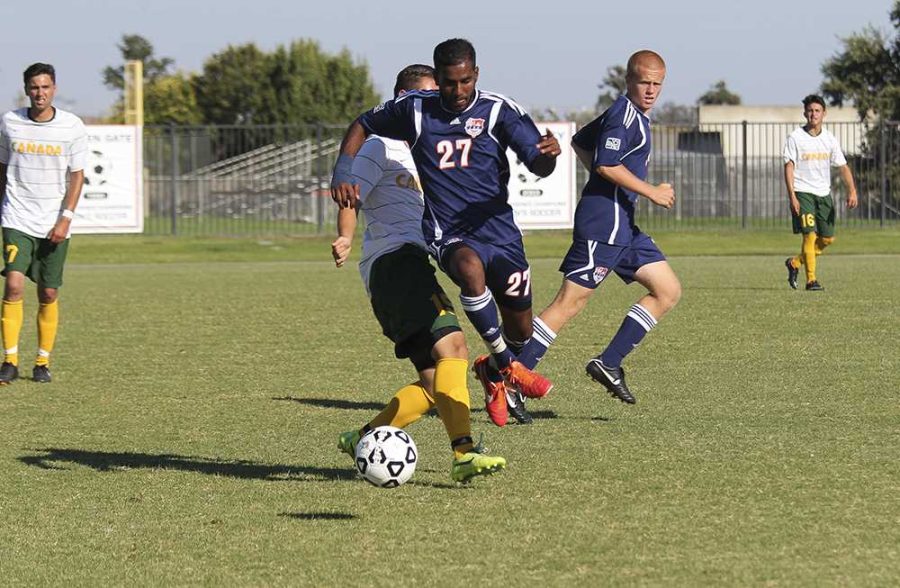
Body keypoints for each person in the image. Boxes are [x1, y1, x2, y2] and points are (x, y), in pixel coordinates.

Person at [332, 38, 561, 428]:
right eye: (450, 83)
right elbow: (363, 123)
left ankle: (492, 370)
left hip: (499, 232)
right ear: (438, 79)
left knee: (521, 327)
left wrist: (547, 157)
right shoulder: (416, 110)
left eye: (465, 82)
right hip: (447, 231)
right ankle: (506, 365)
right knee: (469, 270)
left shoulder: (499, 110)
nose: (458, 92)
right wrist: (342, 169)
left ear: (476, 75)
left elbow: (538, 165)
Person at [331, 64, 506, 483]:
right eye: (423, 98)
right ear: (399, 102)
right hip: (396, 263)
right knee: (456, 350)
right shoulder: (379, 147)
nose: (433, 106)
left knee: (433, 387)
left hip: (405, 266)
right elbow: (349, 193)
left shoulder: (426, 147)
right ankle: (464, 453)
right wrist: (344, 236)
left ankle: (362, 436)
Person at [509, 50, 681, 405]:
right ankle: (512, 381)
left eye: (656, 84)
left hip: (625, 226)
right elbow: (606, 163)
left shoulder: (634, 115)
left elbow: (581, 142)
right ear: (629, 81)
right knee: (569, 303)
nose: (650, 90)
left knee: (667, 290)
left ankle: (609, 362)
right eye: (644, 82)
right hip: (603, 224)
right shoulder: (624, 117)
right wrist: (651, 192)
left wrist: (611, 183)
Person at [0, 63, 86, 385]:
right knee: (14, 284)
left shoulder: (72, 127)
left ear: (55, 89)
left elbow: (77, 177)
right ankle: (9, 359)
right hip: (16, 217)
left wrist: (66, 218)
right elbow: (1, 167)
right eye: (34, 87)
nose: (40, 93)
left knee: (48, 293)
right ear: (26, 89)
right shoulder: (9, 123)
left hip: (53, 222)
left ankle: (42, 362)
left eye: (46, 87)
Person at [783, 94, 858, 291]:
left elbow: (842, 166)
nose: (813, 114)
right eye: (810, 110)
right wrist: (792, 195)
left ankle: (795, 263)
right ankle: (811, 280)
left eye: (817, 110)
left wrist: (852, 190)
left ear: (824, 113)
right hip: (803, 192)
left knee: (827, 239)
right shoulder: (795, 137)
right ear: (804, 113)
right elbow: (789, 166)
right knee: (809, 236)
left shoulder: (830, 139)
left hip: (823, 194)